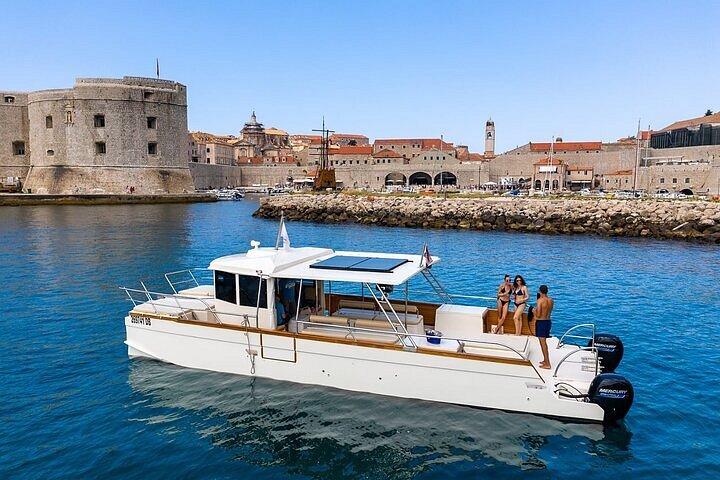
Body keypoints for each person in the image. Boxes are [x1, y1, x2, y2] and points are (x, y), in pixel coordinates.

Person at [534, 285, 554, 369]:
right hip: (548, 322)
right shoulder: (551, 300)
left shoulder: (540, 301)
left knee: (543, 344)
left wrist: (533, 310)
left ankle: (547, 363)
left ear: (540, 291)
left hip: (541, 322)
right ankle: (545, 360)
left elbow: (538, 315)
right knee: (544, 343)